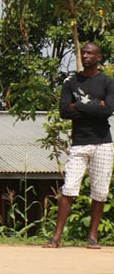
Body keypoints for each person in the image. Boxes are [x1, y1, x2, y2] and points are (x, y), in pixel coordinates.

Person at [44, 42, 114, 250]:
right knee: (69, 188)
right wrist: (96, 105)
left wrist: (80, 105)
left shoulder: (107, 82)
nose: (85, 56)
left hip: (102, 142)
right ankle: (56, 237)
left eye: (90, 53)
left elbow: (108, 110)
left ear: (98, 57)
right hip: (79, 143)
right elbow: (64, 111)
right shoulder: (71, 81)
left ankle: (92, 237)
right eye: (83, 53)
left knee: (100, 191)